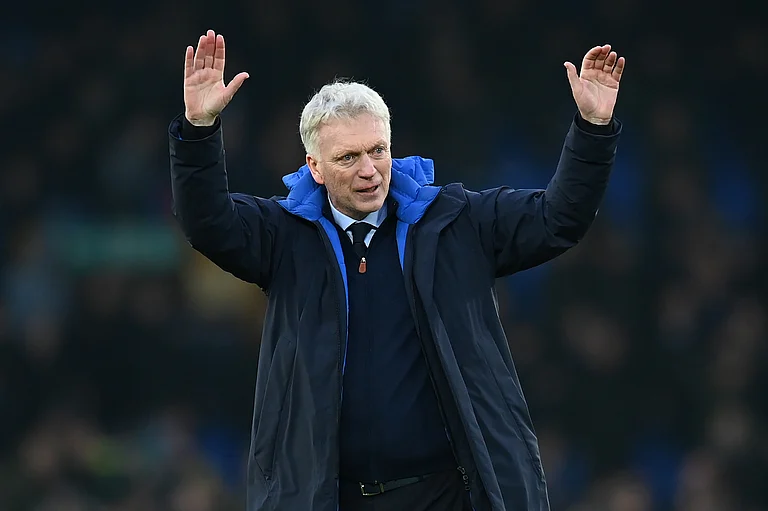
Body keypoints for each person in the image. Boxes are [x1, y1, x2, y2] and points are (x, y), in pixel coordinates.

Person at [169, 29, 625, 511]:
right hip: (332, 498)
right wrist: (199, 130)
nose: (369, 169)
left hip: (448, 494)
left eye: (377, 150)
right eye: (348, 157)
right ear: (315, 167)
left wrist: (593, 129)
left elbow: (559, 218)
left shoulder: (455, 221)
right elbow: (209, 225)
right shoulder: (285, 235)